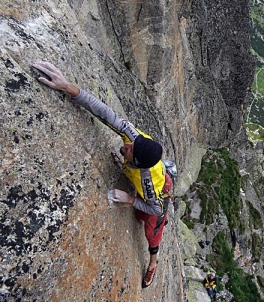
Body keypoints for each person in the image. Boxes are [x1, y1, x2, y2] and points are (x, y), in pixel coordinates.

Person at [33, 61, 173, 288]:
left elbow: (155, 207)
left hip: (160, 193)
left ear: (137, 164)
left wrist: (130, 200)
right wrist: (68, 87)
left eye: (129, 150)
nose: (125, 145)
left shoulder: (147, 183)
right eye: (130, 143)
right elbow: (105, 113)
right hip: (153, 175)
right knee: (139, 216)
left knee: (151, 229)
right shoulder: (134, 137)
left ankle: (153, 263)